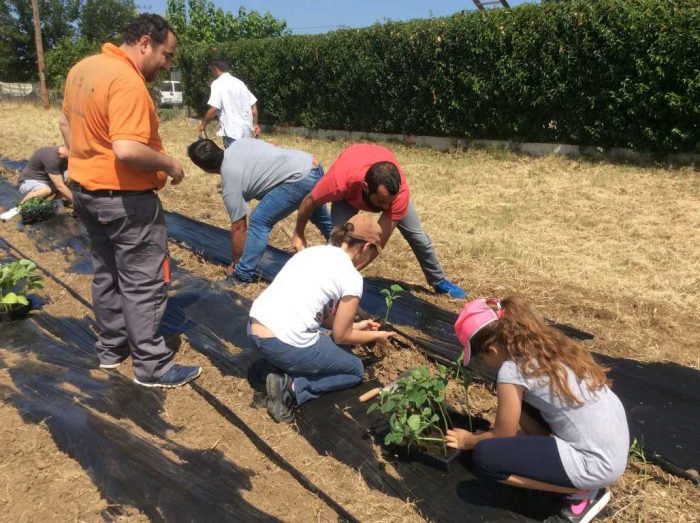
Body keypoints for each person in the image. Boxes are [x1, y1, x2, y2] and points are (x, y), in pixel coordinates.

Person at [60, 14, 201, 388]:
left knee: (107, 272)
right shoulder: (127, 82)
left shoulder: (83, 69)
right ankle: (152, 365)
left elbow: (65, 126)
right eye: (166, 55)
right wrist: (170, 165)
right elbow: (126, 149)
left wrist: (86, 159)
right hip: (126, 201)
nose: (167, 64)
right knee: (143, 281)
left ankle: (111, 348)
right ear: (144, 43)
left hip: (86, 192)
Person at [446, 297, 629, 523]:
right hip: (613, 444)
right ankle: (569, 473)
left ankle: (582, 492)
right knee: (524, 405)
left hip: (597, 463)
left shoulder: (511, 370)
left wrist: (468, 441)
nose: (482, 363)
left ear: (492, 350)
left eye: (480, 357)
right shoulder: (546, 346)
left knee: (486, 458)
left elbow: (503, 434)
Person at [249, 215, 395, 422]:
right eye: (373, 253)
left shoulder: (313, 252)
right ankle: (290, 388)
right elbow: (341, 336)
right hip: (282, 343)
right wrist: (375, 336)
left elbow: (320, 313)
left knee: (325, 341)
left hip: (256, 328)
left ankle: (277, 366)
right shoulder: (351, 277)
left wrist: (357, 325)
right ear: (366, 247)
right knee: (354, 370)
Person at [292, 143, 467, 299]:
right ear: (366, 188)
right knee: (340, 237)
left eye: (389, 202)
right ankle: (323, 279)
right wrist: (298, 233)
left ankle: (439, 281)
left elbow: (376, 243)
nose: (385, 207)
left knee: (419, 238)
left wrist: (349, 273)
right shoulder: (338, 182)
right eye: (381, 202)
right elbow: (310, 201)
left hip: (378, 183)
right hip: (349, 194)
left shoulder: (398, 195)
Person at [187, 138, 333, 283]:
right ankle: (344, 250)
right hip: (311, 164)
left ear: (204, 168)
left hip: (300, 179)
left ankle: (243, 274)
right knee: (319, 215)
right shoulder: (238, 144)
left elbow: (239, 227)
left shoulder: (230, 182)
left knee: (259, 221)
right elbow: (272, 144)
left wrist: (236, 261)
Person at [198, 59, 260, 148]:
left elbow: (214, 108)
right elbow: (253, 107)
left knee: (233, 160)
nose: (212, 73)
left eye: (212, 71)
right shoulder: (240, 83)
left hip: (232, 133)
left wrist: (203, 124)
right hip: (247, 132)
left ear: (215, 69)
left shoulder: (217, 84)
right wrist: (255, 124)